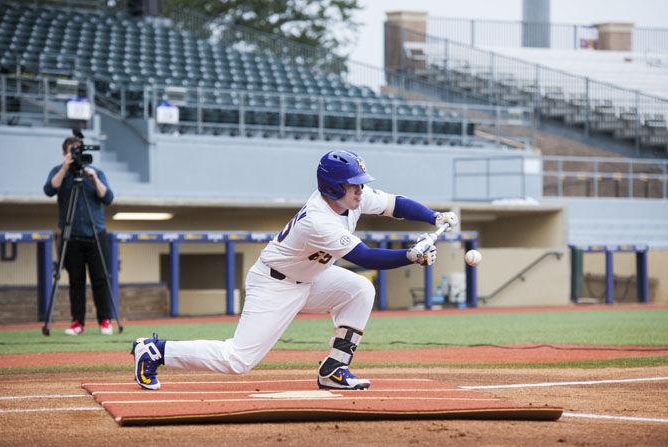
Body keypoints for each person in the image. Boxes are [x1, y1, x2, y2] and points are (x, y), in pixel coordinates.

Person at [132, 150, 458, 390]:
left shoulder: (351, 200)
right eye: (353, 185)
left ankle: (334, 368)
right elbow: (367, 258)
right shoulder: (320, 219)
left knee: (361, 289)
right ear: (332, 188)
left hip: (312, 276)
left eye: (360, 184)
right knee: (238, 361)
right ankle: (157, 351)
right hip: (276, 284)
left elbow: (394, 204)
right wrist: (411, 256)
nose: (360, 190)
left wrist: (434, 217)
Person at [44, 136, 115, 336]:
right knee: (76, 281)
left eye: (78, 151)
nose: (75, 154)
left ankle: (105, 321)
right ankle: (78, 322)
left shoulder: (96, 172)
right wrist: (65, 168)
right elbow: (49, 189)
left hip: (95, 234)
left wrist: (93, 178)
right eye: (71, 151)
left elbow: (108, 197)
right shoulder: (60, 172)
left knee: (100, 279)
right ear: (64, 153)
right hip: (71, 235)